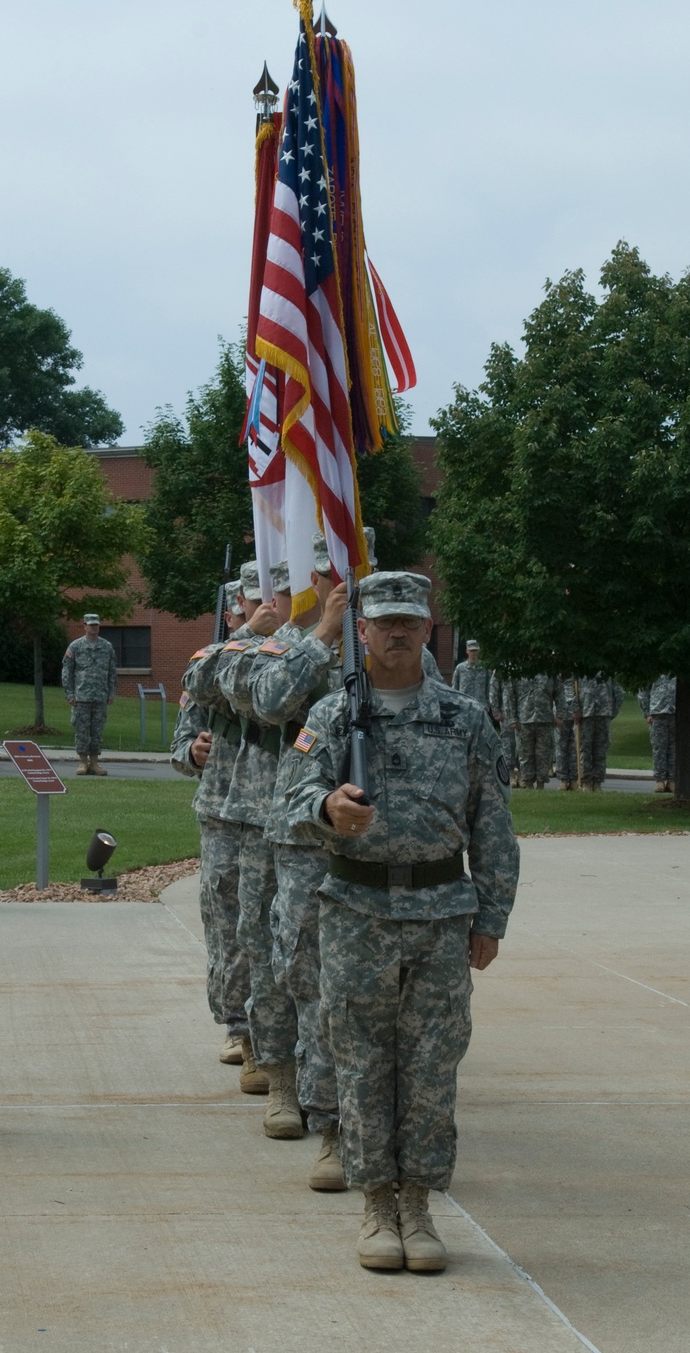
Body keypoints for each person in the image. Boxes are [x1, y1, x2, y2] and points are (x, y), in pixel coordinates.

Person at [285, 570, 519, 1273]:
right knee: (361, 1063)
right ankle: (376, 1204)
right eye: (383, 620)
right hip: (356, 910)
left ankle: (418, 1204)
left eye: (409, 620)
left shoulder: (465, 719)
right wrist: (328, 811)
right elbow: (288, 802)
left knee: (431, 1067)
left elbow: (494, 827)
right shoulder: (330, 716)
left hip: (443, 914)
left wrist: (493, 916)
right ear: (361, 630)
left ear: (427, 627)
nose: (395, 630)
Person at [236, 532, 349, 1189]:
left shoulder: (375, 641)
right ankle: (282, 1078)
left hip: (359, 835)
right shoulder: (267, 642)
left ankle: (338, 1101)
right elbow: (271, 699)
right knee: (280, 955)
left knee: (345, 975)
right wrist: (324, 630)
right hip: (280, 826)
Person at [171, 580, 252, 1070]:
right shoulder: (208, 667)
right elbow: (181, 743)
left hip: (280, 815)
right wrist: (193, 753)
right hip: (223, 812)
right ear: (229, 618)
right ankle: (238, 1024)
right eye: (242, 614)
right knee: (228, 923)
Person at [61, 614, 116, 776]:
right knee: (81, 730)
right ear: (84, 625)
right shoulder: (75, 647)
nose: (93, 628)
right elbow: (67, 671)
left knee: (97, 731)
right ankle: (82, 762)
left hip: (100, 697)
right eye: (90, 625)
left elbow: (112, 672)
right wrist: (69, 693)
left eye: (96, 625)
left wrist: (111, 692)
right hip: (81, 696)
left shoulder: (107, 647)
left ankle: (94, 763)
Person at [575, 674, 624, 791]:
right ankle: (586, 781)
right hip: (586, 713)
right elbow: (571, 689)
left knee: (600, 750)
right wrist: (576, 708)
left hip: (603, 713)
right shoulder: (580, 666)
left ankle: (597, 782)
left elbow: (618, 692)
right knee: (585, 749)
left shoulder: (608, 669)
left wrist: (612, 712)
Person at [510, 674, 561, 789]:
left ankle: (540, 784)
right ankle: (528, 784)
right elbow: (510, 696)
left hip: (545, 719)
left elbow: (559, 692)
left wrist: (559, 714)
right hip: (524, 719)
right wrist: (512, 718)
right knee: (525, 754)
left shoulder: (549, 672)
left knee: (543, 755)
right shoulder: (517, 671)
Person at [637, 677, 676, 792]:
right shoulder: (654, 670)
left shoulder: (678, 671)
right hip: (657, 714)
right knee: (659, 748)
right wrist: (647, 713)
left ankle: (672, 780)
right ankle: (660, 780)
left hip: (675, 714)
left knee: (674, 748)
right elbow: (643, 692)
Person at [451, 640, 490, 711]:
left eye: (475, 650)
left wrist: (488, 703)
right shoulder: (460, 668)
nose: (473, 653)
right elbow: (455, 687)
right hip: (464, 705)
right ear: (467, 651)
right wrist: (456, 703)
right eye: (471, 650)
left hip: (481, 705)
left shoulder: (484, 668)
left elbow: (489, 687)